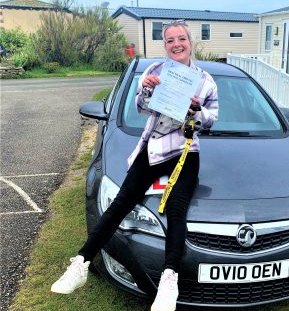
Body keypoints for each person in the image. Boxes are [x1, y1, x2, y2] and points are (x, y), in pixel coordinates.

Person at [51, 20, 219, 311]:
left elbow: (210, 120)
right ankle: (81, 263)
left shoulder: (205, 80)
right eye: (170, 40)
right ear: (164, 45)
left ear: (190, 43)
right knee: (121, 202)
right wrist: (146, 90)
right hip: (153, 145)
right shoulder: (153, 72)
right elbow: (141, 108)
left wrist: (195, 109)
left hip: (185, 150)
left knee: (177, 209)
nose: (176, 44)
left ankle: (169, 280)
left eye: (181, 38)